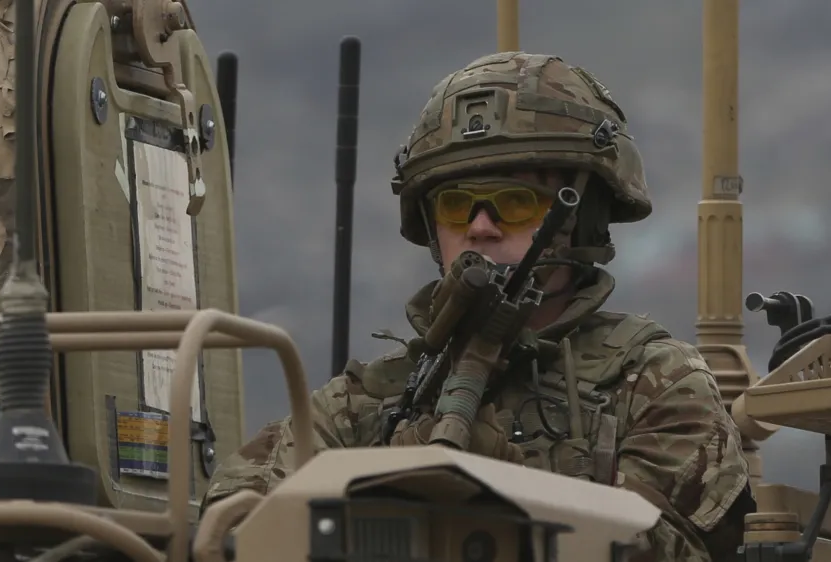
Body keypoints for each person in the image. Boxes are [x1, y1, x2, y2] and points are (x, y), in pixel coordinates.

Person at [203, 51, 755, 561]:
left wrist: (501, 485)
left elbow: (667, 547)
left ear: (583, 220)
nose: (480, 228)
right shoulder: (365, 402)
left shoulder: (654, 381)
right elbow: (235, 522)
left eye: (516, 204)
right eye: (456, 206)